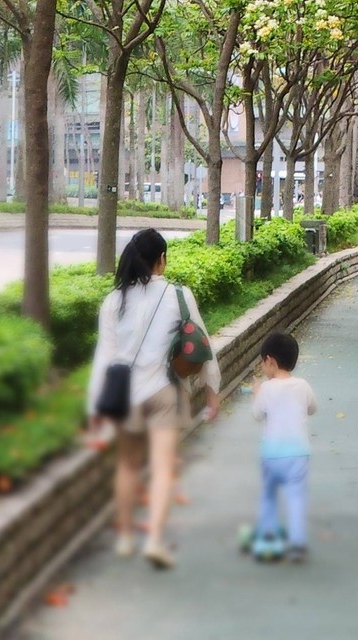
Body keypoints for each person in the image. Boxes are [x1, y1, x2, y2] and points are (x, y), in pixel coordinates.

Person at [86, 228, 221, 569]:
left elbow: (104, 357)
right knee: (162, 468)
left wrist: (95, 408)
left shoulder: (114, 301)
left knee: (128, 465)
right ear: (161, 259)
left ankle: (126, 537)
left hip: (125, 394)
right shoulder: (179, 295)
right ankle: (155, 540)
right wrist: (212, 391)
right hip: (163, 391)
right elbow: (202, 345)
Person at [244, 330, 316, 562]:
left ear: (270, 361)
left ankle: (268, 542)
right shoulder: (303, 385)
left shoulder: (265, 388)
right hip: (297, 453)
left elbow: (257, 415)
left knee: (268, 497)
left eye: (263, 364)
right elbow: (312, 408)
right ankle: (297, 544)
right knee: (296, 498)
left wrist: (257, 394)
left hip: (272, 454)